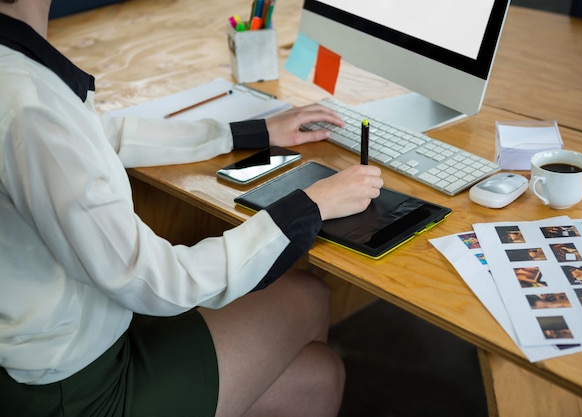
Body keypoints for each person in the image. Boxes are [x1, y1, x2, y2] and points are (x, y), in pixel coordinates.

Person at [0, 1, 385, 416]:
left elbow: (92, 136)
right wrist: (308, 207)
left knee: (318, 376)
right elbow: (155, 281)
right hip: (71, 390)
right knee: (307, 298)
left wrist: (250, 131)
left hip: (53, 340)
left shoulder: (19, 75)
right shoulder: (29, 103)